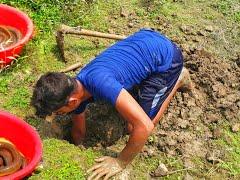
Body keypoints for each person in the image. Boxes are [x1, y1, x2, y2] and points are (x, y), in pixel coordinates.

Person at [31, 28, 192, 180]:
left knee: (133, 127)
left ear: (72, 101)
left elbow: (145, 127)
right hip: (144, 42)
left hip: (166, 59)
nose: (59, 115)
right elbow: (78, 130)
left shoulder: (101, 84)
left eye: (59, 112)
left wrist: (120, 162)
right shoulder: (76, 87)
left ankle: (178, 80)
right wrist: (76, 146)